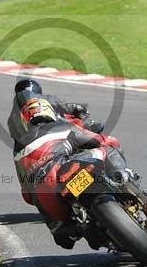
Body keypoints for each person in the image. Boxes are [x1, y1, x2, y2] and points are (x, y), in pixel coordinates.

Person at [7, 79, 136, 249]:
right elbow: (72, 111)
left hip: (37, 171)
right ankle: (123, 175)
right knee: (108, 143)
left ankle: (79, 223)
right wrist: (79, 110)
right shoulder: (34, 100)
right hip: (58, 138)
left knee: (61, 234)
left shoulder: (16, 135)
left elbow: (27, 194)